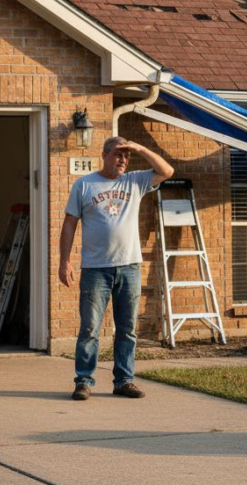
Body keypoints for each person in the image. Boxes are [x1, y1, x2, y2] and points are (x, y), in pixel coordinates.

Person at [59, 136, 173, 401]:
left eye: (126, 156)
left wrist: (140, 148)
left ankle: (124, 381)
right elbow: (69, 224)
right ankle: (84, 381)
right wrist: (64, 261)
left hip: (129, 266)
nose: (122, 160)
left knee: (127, 328)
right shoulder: (84, 184)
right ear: (104, 155)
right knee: (90, 328)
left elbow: (167, 171)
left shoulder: (134, 181)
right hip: (95, 269)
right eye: (118, 154)